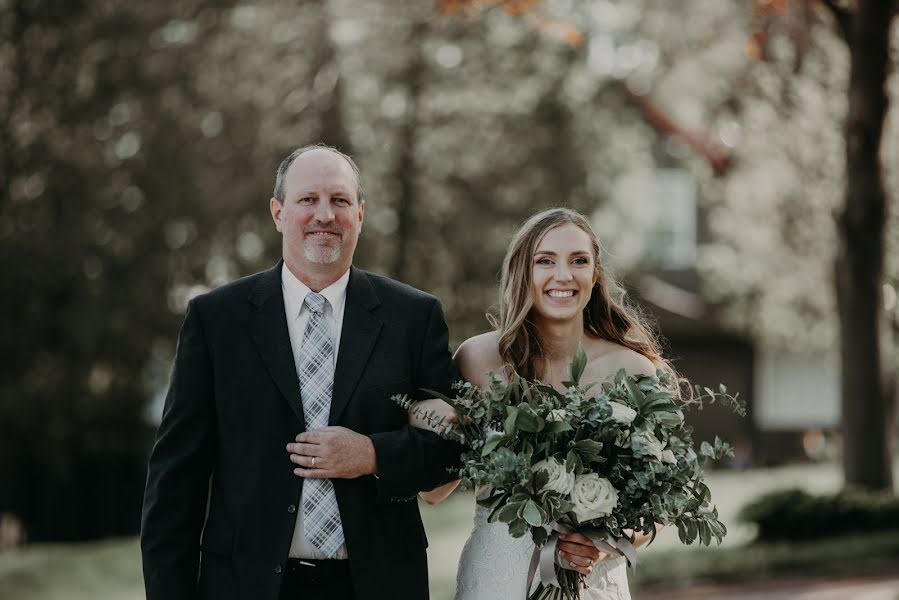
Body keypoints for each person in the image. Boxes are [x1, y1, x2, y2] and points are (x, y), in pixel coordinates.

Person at [141, 144, 461, 600]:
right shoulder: (217, 321)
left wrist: (373, 455)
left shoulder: (413, 317)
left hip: (378, 583)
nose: (324, 214)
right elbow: (175, 481)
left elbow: (451, 452)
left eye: (340, 200)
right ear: (278, 212)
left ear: (361, 214)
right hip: (246, 586)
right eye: (308, 200)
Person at [411, 208, 667, 600]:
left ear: (595, 274)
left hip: (592, 583)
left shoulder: (632, 371)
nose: (563, 275)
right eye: (545, 261)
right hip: (498, 578)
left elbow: (661, 502)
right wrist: (429, 422)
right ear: (522, 272)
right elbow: (434, 492)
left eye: (578, 261)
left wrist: (610, 541)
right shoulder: (479, 360)